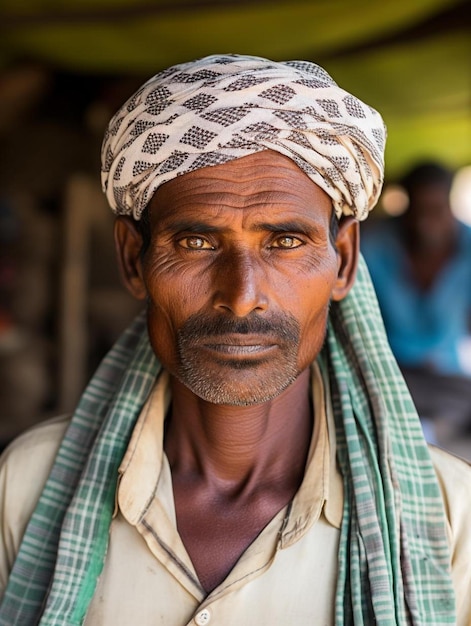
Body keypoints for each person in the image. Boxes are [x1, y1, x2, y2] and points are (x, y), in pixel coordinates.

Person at [0, 54, 469, 626]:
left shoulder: (450, 517)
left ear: (342, 261)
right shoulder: (25, 486)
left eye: (286, 242)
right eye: (197, 243)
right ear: (133, 259)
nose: (243, 295)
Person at [361, 161, 471, 438]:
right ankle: (428, 430)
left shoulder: (468, 246)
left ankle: (428, 429)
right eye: (416, 211)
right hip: (388, 371)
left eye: (435, 210)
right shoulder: (373, 244)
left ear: (450, 204)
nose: (424, 222)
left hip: (446, 376)